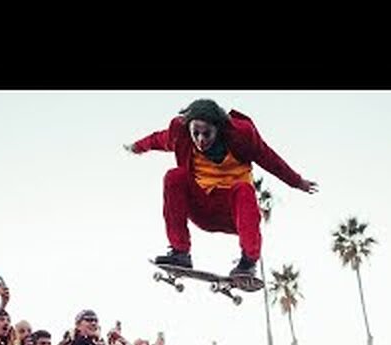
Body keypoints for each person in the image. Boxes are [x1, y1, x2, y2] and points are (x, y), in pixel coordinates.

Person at [127, 98, 318, 277]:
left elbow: (269, 158)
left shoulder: (242, 136)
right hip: (202, 209)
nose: (201, 140)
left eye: (207, 133)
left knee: (243, 189)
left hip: (234, 214)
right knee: (174, 176)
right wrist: (138, 146)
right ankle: (180, 252)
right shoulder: (181, 135)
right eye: (196, 133)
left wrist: (297, 181)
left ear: (218, 129)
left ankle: (248, 261)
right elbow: (158, 139)